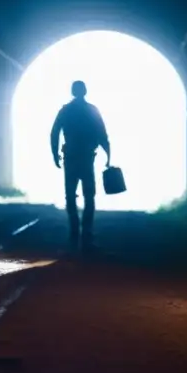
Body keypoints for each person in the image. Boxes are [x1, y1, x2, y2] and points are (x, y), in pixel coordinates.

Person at [50, 80, 110, 252]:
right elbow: (102, 134)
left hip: (70, 158)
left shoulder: (65, 110)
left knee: (70, 195)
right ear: (85, 91)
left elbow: (54, 133)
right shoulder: (92, 110)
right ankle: (86, 234)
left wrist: (55, 154)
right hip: (86, 158)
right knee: (89, 195)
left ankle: (74, 232)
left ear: (72, 91)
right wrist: (108, 156)